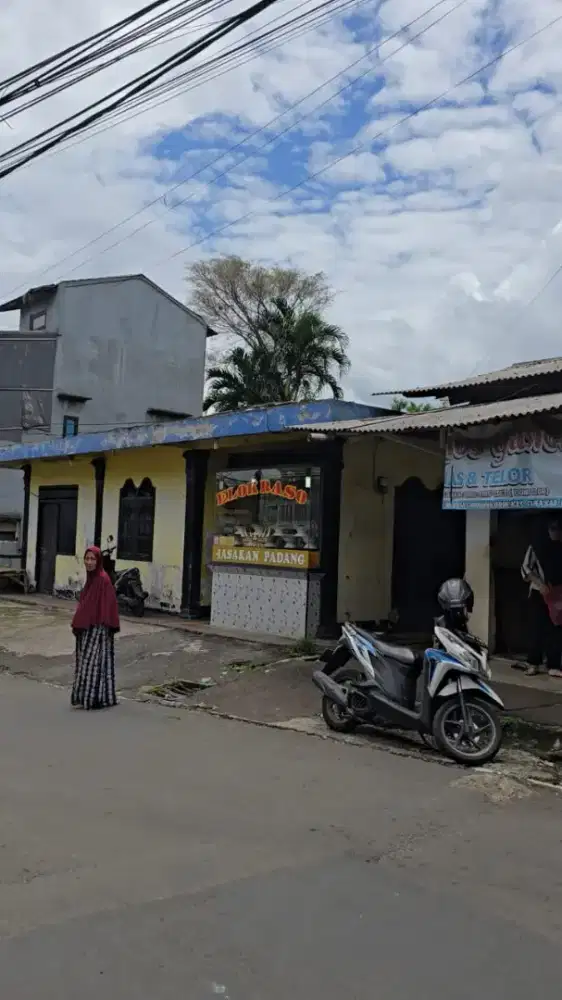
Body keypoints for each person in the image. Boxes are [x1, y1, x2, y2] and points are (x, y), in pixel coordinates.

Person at [71, 546, 120, 709]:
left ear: (98, 561)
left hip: (98, 629)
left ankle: (93, 699)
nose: (89, 562)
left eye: (92, 559)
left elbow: (103, 607)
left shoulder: (101, 579)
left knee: (92, 663)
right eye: (87, 558)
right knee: (90, 663)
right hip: (89, 627)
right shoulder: (92, 579)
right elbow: (85, 605)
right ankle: (94, 697)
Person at [521, 517, 562, 677]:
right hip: (539, 593)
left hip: (557, 595)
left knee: (556, 629)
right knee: (537, 628)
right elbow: (525, 568)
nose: (555, 533)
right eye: (553, 529)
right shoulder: (536, 547)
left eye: (558, 530)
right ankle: (533, 663)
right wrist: (541, 584)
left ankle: (553, 665)